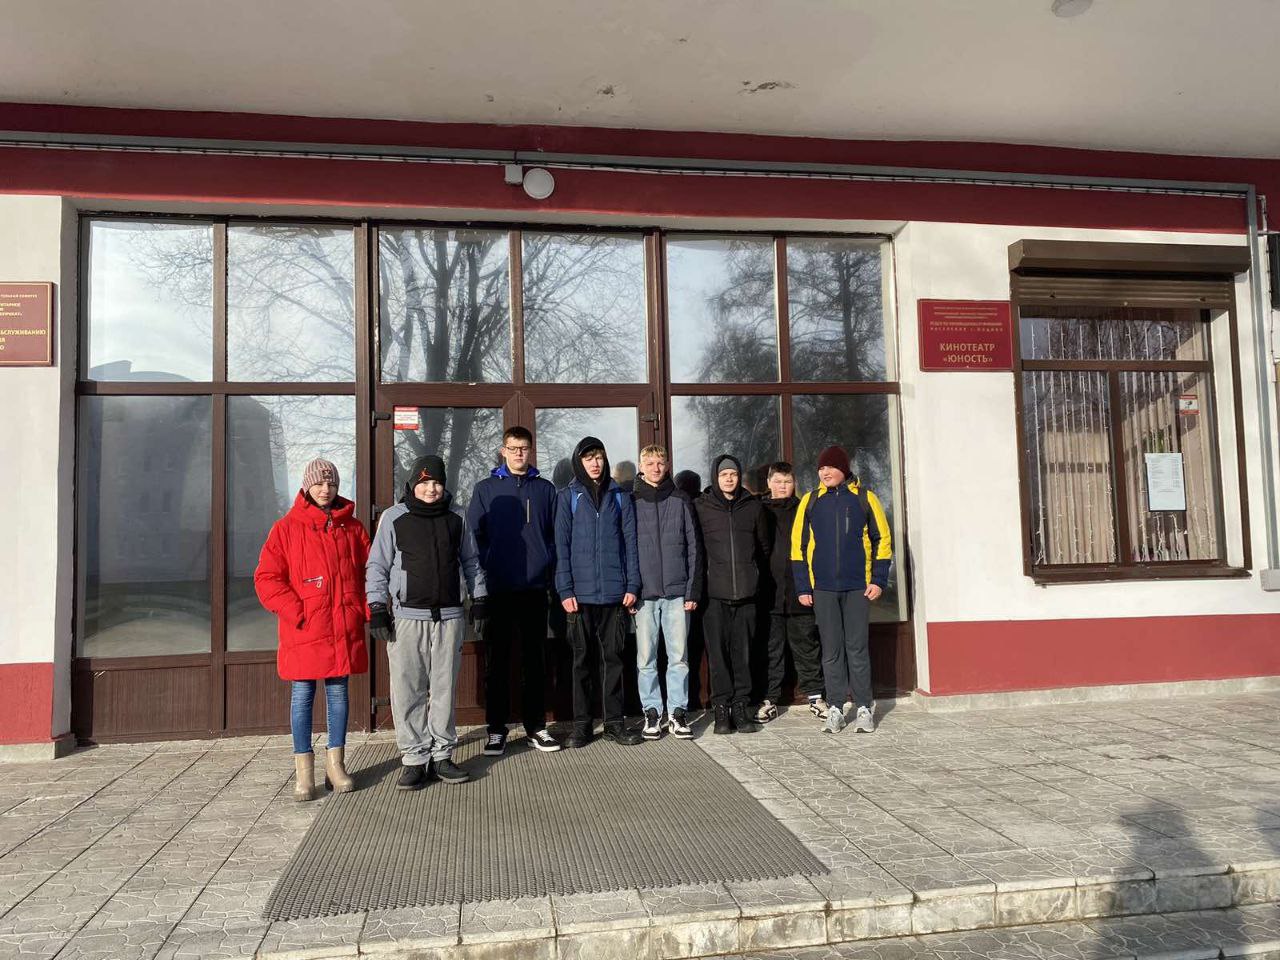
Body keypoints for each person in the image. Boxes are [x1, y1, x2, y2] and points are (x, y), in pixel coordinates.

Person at [366, 455, 486, 789]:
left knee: (444, 688)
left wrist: (480, 600)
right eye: (425, 482)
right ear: (413, 484)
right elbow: (377, 565)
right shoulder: (394, 517)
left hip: (449, 618)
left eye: (437, 482)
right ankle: (414, 758)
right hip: (407, 617)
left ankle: (442, 755)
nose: (431, 489)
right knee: (408, 689)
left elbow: (471, 561)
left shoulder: (457, 517)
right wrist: (376, 607)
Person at [255, 458, 370, 802]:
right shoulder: (286, 528)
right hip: (305, 628)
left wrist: (362, 609)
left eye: (331, 484)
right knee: (302, 694)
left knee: (338, 694)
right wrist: (296, 611)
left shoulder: (353, 528)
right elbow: (267, 578)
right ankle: (304, 771)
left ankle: (336, 765)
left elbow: (371, 572)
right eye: (319, 484)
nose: (325, 490)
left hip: (341, 626)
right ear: (306, 487)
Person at [468, 426, 561, 756]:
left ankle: (536, 727)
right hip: (499, 588)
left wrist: (548, 568)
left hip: (535, 589)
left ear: (530, 450)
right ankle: (496, 730)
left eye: (524, 448)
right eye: (513, 448)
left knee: (534, 663)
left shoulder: (545, 489)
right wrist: (486, 571)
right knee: (498, 663)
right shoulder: (486, 489)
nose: (519, 453)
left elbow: (555, 536)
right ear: (503, 451)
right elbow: (474, 537)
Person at [792, 445, 892, 735]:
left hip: (857, 588)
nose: (825, 472)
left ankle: (863, 707)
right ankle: (835, 707)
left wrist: (878, 580)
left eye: (831, 467)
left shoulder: (864, 498)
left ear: (844, 469)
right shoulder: (811, 501)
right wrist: (803, 586)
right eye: (821, 468)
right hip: (823, 589)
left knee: (857, 649)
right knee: (832, 650)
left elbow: (882, 540)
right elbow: (798, 547)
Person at [554, 436, 642, 748]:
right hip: (579, 597)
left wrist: (632, 585)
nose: (595, 463)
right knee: (581, 662)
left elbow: (630, 542)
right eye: (589, 458)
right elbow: (561, 546)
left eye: (599, 457)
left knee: (613, 660)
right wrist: (565, 589)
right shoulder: (568, 497)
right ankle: (582, 726)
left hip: (615, 595)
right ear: (579, 462)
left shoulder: (620, 496)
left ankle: (615, 723)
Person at [694, 454, 769, 736]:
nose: (729, 479)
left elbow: (763, 547)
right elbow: (696, 551)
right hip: (714, 596)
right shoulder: (701, 507)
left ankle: (741, 707)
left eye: (734, 474)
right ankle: (721, 710)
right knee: (718, 657)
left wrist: (755, 577)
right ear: (716, 477)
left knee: (743, 655)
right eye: (724, 474)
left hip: (746, 595)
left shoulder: (753, 507)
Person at [631, 444, 701, 740]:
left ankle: (677, 712)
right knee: (645, 658)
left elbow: (694, 547)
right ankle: (651, 712)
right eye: (649, 463)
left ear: (668, 465)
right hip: (644, 595)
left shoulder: (680, 499)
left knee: (679, 657)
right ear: (641, 466)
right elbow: (626, 548)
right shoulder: (632, 501)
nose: (655, 467)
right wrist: (631, 589)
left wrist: (692, 590)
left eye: (660, 462)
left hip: (676, 592)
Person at [755, 462, 827, 722]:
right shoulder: (759, 509)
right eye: (777, 481)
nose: (782, 486)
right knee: (771, 650)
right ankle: (769, 700)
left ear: (794, 483)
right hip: (769, 593)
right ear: (769, 483)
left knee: (807, 646)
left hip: (801, 591)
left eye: (787, 481)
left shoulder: (805, 508)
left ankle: (815, 697)